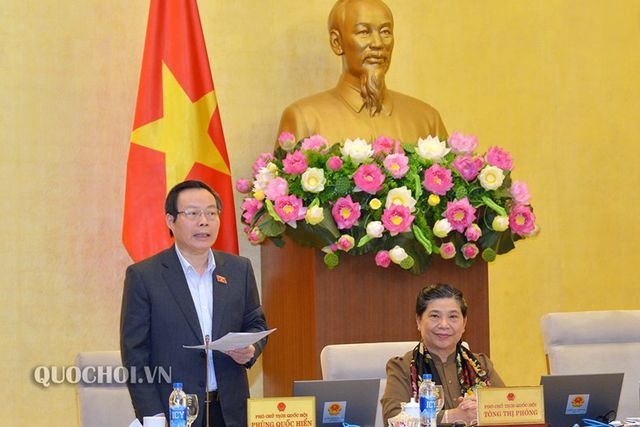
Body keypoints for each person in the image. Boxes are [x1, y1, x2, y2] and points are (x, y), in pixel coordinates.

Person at [120, 180, 268, 427]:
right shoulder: (145, 276)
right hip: (175, 412)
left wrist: (251, 349)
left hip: (231, 413)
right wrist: (153, 417)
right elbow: (135, 355)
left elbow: (256, 324)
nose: (204, 221)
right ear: (170, 220)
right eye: (192, 213)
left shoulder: (239, 269)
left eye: (211, 213)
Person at [278, 0, 448, 145]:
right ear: (337, 42)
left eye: (385, 32)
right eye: (364, 32)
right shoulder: (303, 119)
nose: (378, 43)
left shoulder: (426, 120)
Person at [381, 284, 504, 426]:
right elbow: (393, 417)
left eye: (453, 316)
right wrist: (452, 416)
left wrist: (481, 410)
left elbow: (507, 409)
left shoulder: (481, 365)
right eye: (435, 316)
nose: (444, 325)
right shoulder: (402, 366)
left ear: (464, 323)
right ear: (418, 321)